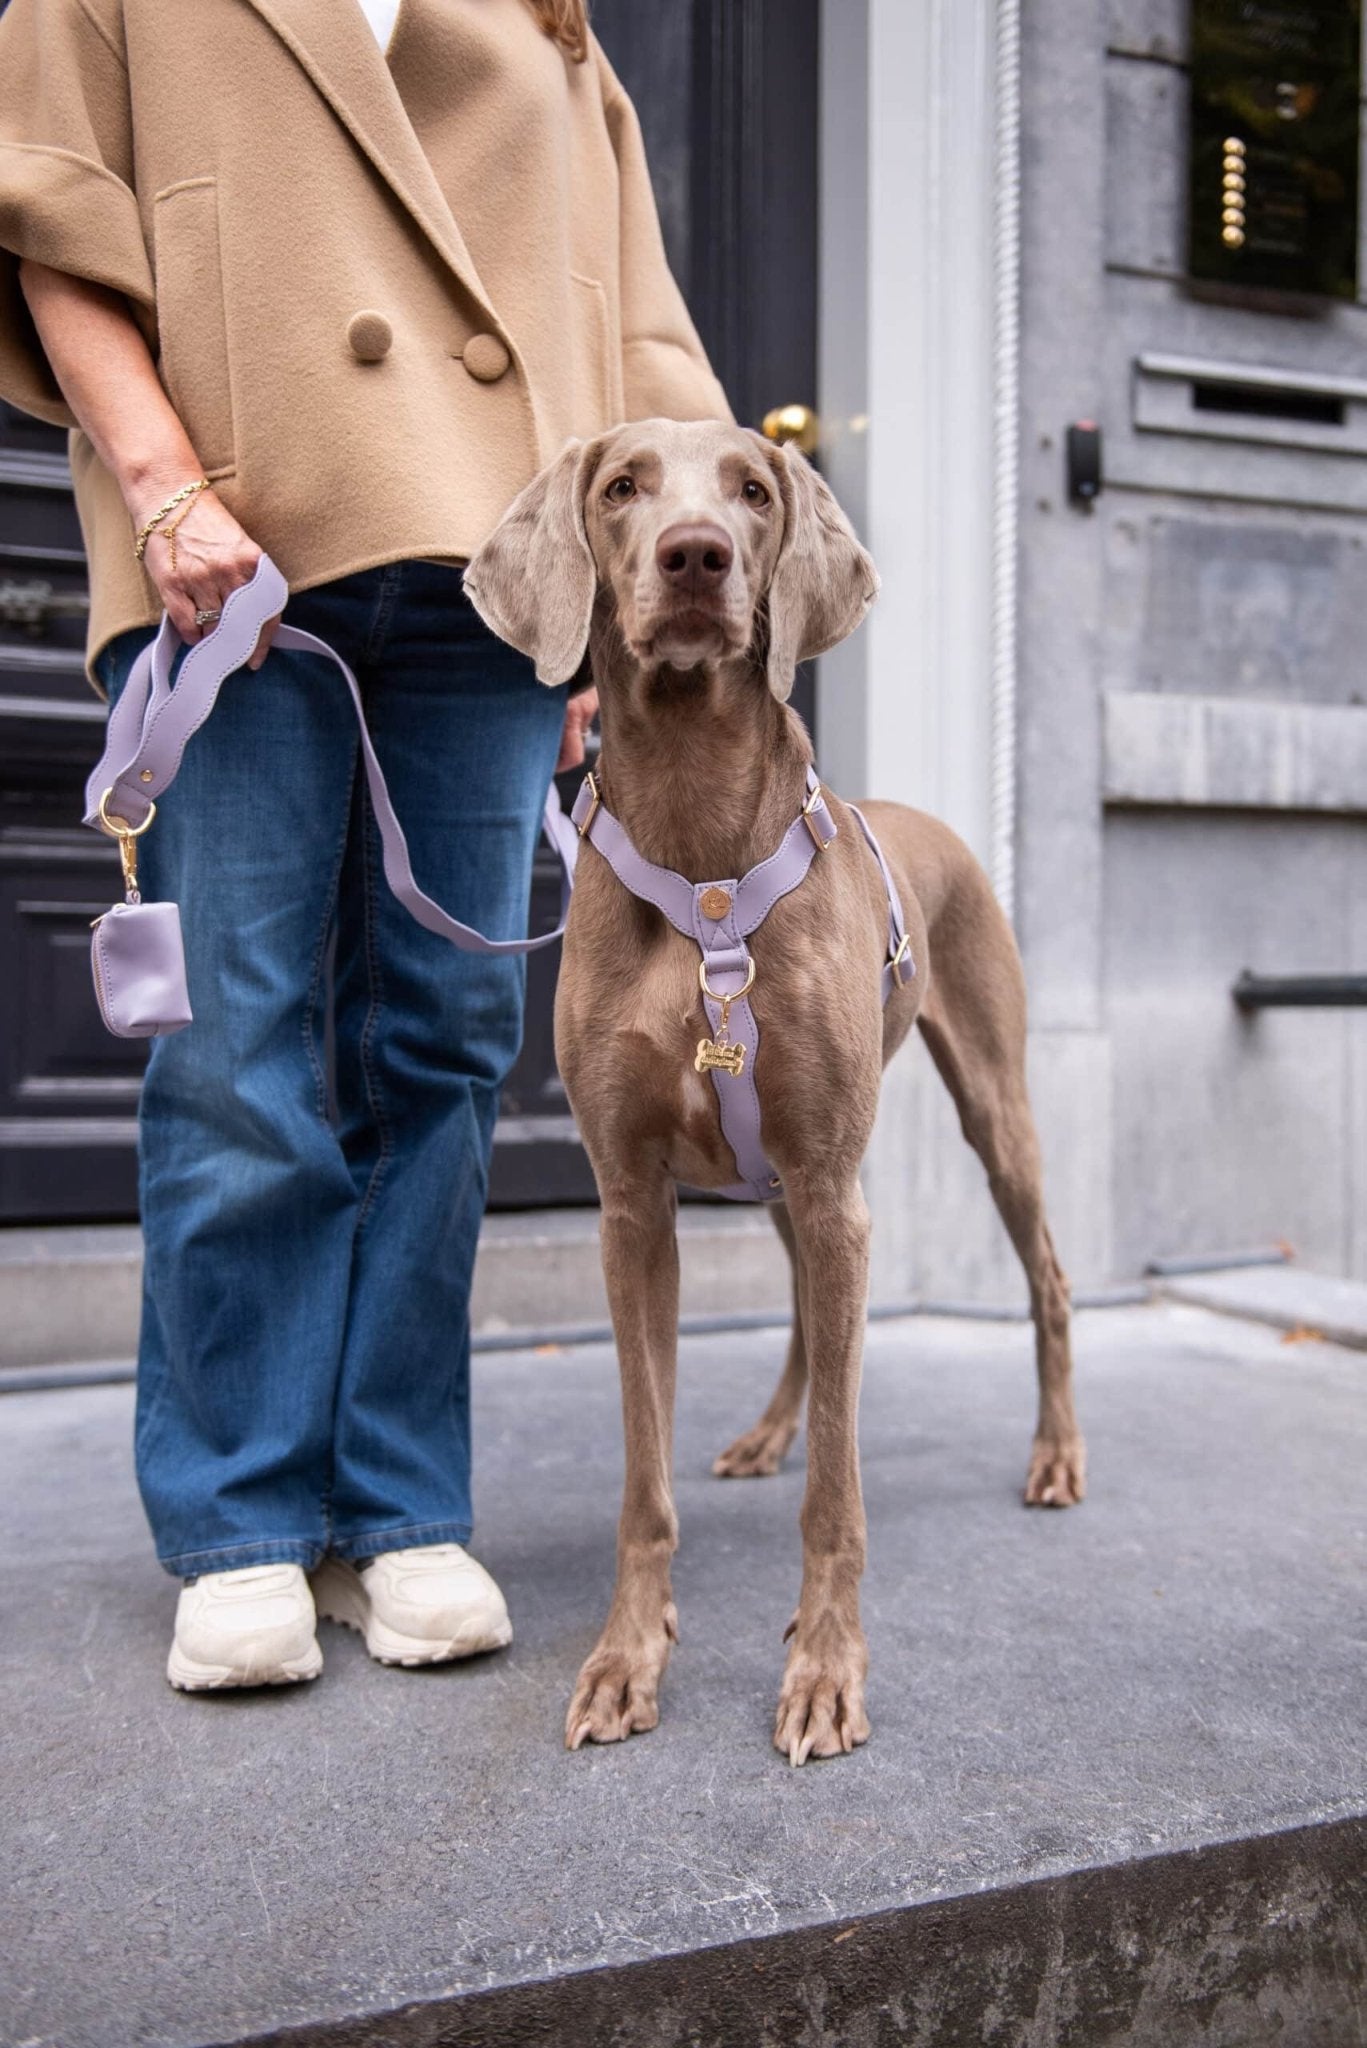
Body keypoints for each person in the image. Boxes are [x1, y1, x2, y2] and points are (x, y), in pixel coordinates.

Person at [0, 0, 728, 1689]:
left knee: (447, 1042)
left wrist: (608, 622)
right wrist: (164, 482)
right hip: (238, 546)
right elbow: (51, 220)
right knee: (241, 1041)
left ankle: (399, 1506)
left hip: (504, 579)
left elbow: (643, 348)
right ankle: (247, 1521)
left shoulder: (546, 18)